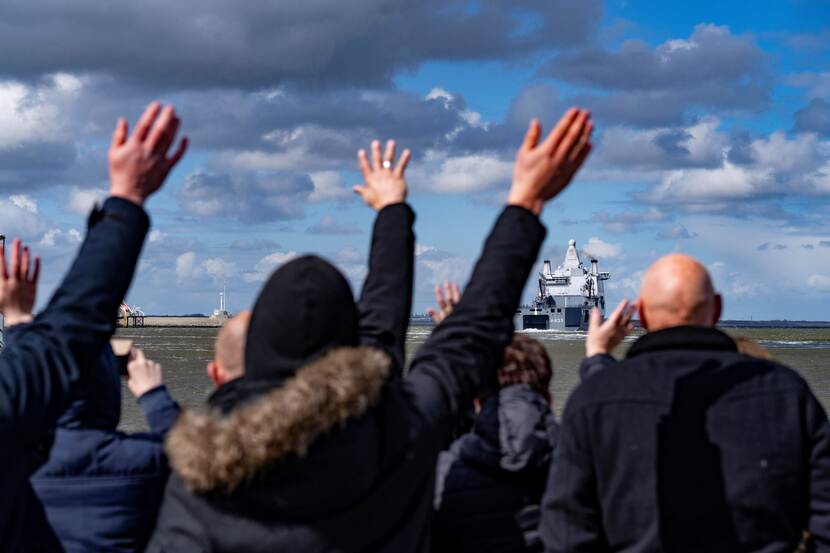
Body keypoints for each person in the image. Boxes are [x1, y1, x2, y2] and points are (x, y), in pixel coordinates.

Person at [147, 108, 594, 552]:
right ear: (346, 343)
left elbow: (394, 334)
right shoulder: (397, 429)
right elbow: (463, 329)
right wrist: (524, 199)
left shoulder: (199, 476)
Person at [541, 253, 830, 552]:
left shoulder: (593, 399)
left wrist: (599, 357)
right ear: (717, 308)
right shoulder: (787, 392)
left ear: (641, 312)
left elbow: (565, 532)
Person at [0, 101, 187, 552]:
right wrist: (126, 199)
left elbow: (55, 349)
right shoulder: (143, 460)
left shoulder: (22, 455)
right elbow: (64, 341)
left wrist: (20, 326)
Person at [433, 332, 559, 553]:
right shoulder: (585, 465)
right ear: (549, 398)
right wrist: (598, 359)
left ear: (478, 401)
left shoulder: (442, 473)